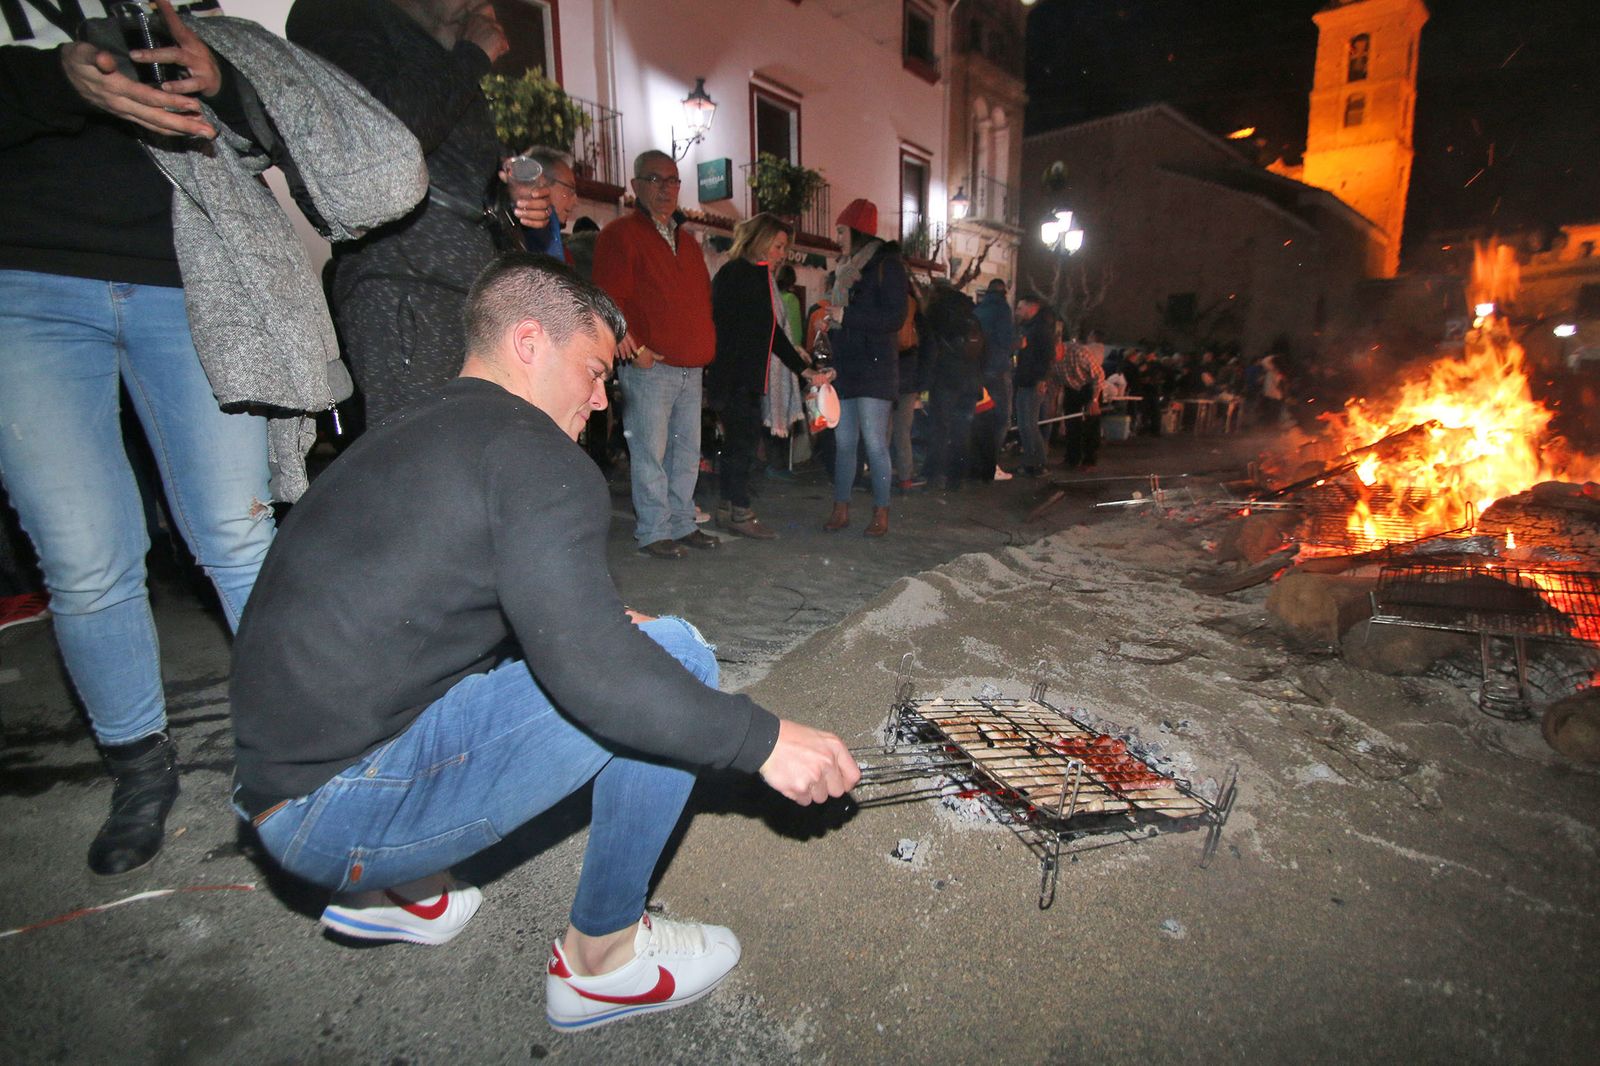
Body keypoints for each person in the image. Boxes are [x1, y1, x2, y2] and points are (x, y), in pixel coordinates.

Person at [229, 252, 860, 1032]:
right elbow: (597, 675)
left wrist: (581, 622)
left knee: (620, 642)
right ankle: (603, 962)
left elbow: (428, 605)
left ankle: (402, 894)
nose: (600, 400)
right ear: (529, 341)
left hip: (271, 788)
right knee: (674, 656)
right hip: (337, 814)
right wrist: (763, 740)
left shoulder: (409, 429)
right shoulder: (535, 454)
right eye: (595, 371)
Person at [0, 0, 399, 875]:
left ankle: (306, 745)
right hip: (21, 280)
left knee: (236, 529)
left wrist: (224, 82)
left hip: (190, 279)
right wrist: (52, 80)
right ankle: (139, 768)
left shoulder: (174, 15)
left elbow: (287, 145)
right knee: (83, 556)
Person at [286, 0, 552, 427]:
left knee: (480, 451)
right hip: (405, 281)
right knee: (423, 457)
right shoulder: (337, 12)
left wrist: (511, 195)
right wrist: (471, 55)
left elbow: (454, 169)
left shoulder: (441, 52)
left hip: (470, 285)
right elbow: (385, 140)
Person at [592, 150, 718, 560]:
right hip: (652, 365)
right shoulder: (620, 234)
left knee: (685, 452)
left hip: (690, 365)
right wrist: (635, 347)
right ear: (636, 186)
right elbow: (610, 297)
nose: (665, 188)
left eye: (673, 180)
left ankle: (681, 522)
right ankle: (654, 530)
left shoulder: (688, 242)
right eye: (655, 179)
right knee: (651, 452)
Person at [707, 214, 832, 539]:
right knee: (743, 446)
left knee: (739, 445)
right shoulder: (748, 275)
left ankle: (728, 507)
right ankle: (740, 511)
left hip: (734, 375)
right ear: (760, 240)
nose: (782, 254)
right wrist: (801, 368)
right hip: (738, 377)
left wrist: (801, 368)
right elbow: (766, 332)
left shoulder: (737, 273)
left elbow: (767, 332)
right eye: (778, 246)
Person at [822, 199, 907, 537]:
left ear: (856, 230)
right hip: (846, 367)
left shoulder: (887, 265)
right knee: (843, 443)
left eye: (842, 230)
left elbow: (894, 318)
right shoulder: (843, 270)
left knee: (874, 443)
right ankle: (840, 508)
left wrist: (846, 316)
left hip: (875, 369)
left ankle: (880, 512)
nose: (837, 236)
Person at [921, 282, 986, 491]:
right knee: (962, 429)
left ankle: (935, 475)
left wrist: (925, 379)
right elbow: (985, 350)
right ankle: (957, 478)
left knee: (940, 428)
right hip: (970, 381)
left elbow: (928, 347)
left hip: (946, 380)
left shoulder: (936, 313)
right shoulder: (972, 314)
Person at [973, 278, 1016, 481]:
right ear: (1003, 293)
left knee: (982, 417)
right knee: (1001, 418)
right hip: (998, 369)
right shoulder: (1003, 310)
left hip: (979, 370)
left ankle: (979, 461)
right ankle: (991, 463)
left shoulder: (979, 310)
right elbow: (1007, 341)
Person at [1013, 293, 1057, 476]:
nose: (1018, 311)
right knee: (1026, 424)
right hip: (1027, 379)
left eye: (1020, 307)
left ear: (1031, 308)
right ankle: (1034, 463)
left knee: (1028, 424)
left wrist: (1042, 379)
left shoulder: (1040, 329)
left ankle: (1037, 464)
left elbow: (1048, 356)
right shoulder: (1032, 327)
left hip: (1032, 381)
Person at [516, 145, 580, 264]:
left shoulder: (562, 252)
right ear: (541, 182)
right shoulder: (523, 237)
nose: (575, 201)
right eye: (570, 190)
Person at [890, 282, 924, 493]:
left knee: (883, 429)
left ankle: (880, 474)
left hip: (888, 372)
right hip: (909, 375)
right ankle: (905, 476)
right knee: (903, 429)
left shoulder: (885, 301)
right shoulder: (915, 307)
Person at [1060, 334, 1106, 471]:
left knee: (1091, 424)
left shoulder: (1078, 352)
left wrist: (1094, 400)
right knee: (1071, 424)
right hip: (1070, 388)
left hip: (1089, 386)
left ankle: (1090, 460)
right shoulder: (1051, 359)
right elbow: (1054, 383)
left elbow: (1099, 376)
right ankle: (1072, 458)